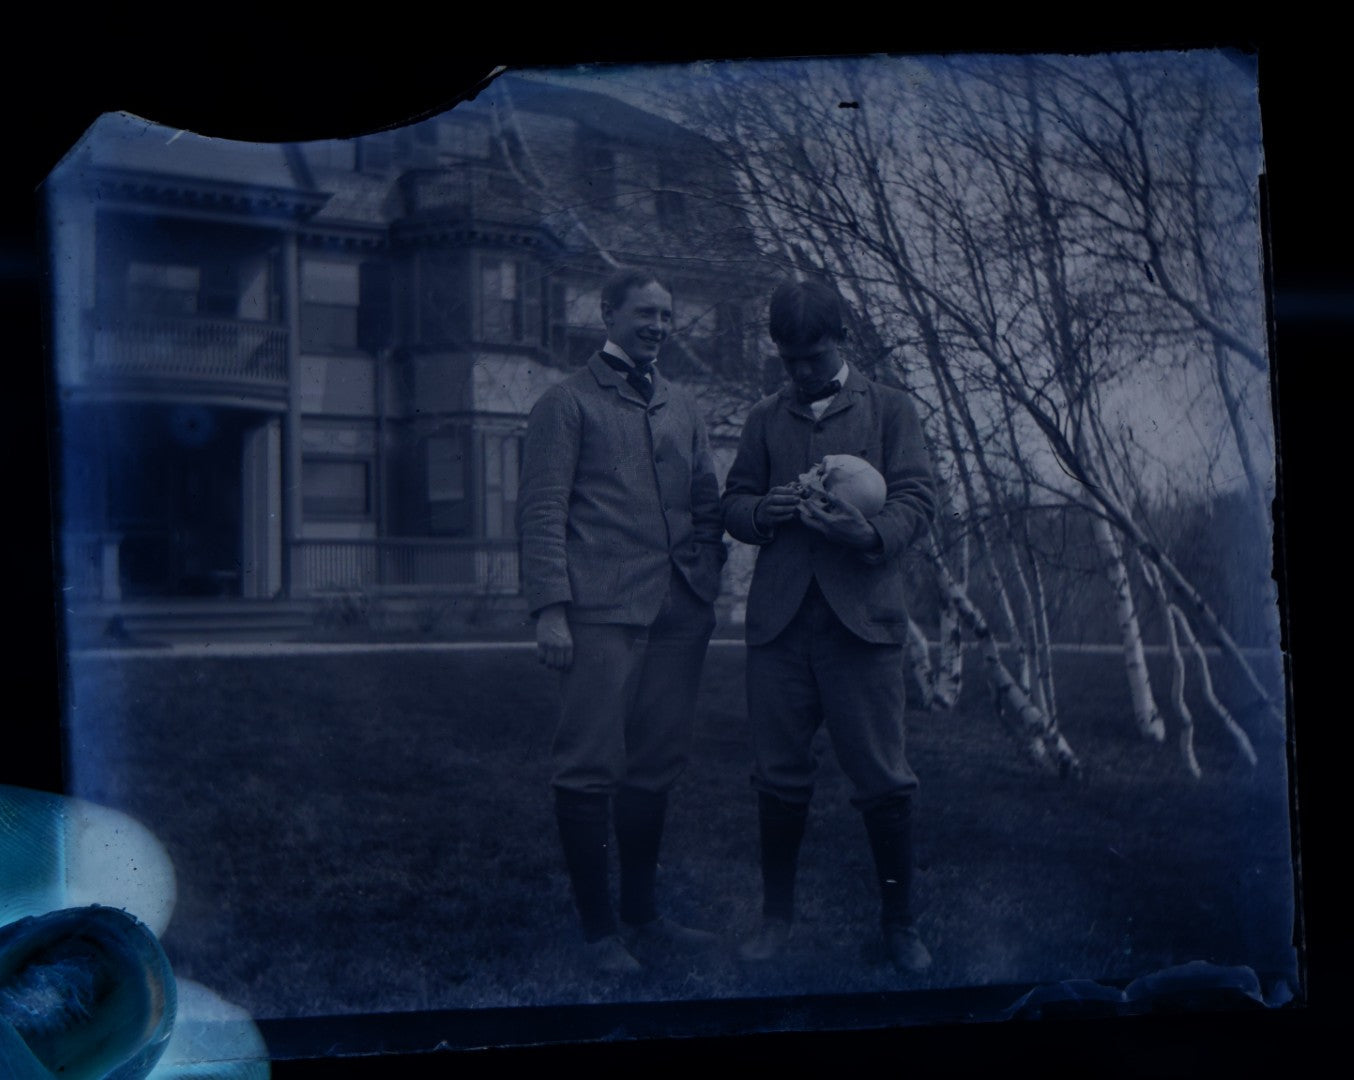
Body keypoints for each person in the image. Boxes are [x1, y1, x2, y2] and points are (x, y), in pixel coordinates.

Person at [721, 278, 937, 973]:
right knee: (778, 777)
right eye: (788, 360)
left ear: (842, 340)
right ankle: (775, 920)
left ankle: (899, 926)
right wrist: (765, 513)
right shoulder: (763, 418)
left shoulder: (892, 408)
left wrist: (867, 533)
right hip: (781, 628)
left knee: (882, 778)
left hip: (862, 626)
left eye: (812, 357)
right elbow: (735, 502)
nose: (801, 372)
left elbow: (917, 498)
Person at [518, 269, 727, 975]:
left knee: (655, 768)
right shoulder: (566, 402)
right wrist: (551, 609)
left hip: (679, 613)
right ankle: (599, 932)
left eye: (668, 315)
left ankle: (643, 917)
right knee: (588, 768)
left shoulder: (683, 406)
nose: (660, 326)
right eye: (645, 312)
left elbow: (706, 498)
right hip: (600, 614)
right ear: (606, 312)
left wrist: (705, 575)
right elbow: (543, 510)